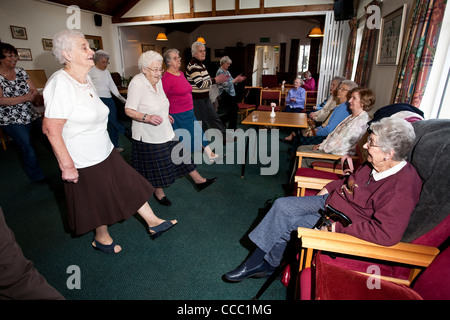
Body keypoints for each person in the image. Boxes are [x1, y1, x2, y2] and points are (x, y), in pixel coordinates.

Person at [223, 117, 422, 282]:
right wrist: (329, 187)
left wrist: (338, 229)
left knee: (289, 224)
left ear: (390, 153)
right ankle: (265, 264)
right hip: (331, 202)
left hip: (343, 221)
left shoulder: (402, 187)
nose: (365, 146)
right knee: (281, 206)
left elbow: (387, 234)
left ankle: (255, 264)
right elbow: (350, 181)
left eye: (372, 143)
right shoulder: (376, 163)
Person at [42, 30, 177, 254]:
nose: (91, 51)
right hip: (83, 159)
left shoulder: (85, 80)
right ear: (67, 54)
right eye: (84, 47)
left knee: (130, 184)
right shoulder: (60, 83)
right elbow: (50, 128)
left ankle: (153, 222)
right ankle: (102, 238)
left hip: (105, 150)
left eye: (89, 46)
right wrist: (67, 165)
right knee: (97, 201)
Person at [125, 50, 217, 207]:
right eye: (155, 69)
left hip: (165, 128)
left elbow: (162, 101)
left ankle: (199, 180)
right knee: (157, 166)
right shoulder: (137, 83)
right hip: (147, 135)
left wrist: (165, 114)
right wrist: (147, 117)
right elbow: (129, 110)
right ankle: (159, 193)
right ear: (144, 69)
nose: (159, 73)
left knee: (181, 153)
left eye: (160, 69)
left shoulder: (158, 80)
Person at [161, 48, 221, 162]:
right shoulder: (166, 79)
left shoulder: (181, 74)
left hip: (189, 110)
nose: (178, 60)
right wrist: (165, 114)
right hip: (178, 114)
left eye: (178, 57)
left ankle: (209, 154)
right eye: (175, 58)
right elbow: (161, 98)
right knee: (188, 137)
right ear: (168, 62)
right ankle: (182, 162)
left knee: (198, 132)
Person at [0, 42, 48, 183]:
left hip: (30, 114)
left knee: (48, 138)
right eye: (10, 56)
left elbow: (33, 91)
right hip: (10, 119)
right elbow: (1, 101)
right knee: (27, 145)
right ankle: (37, 176)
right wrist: (24, 97)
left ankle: (65, 166)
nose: (14, 58)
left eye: (15, 55)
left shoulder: (21, 71)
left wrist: (28, 97)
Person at [298, 87, 375, 168]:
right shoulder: (351, 117)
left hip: (338, 157)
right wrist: (322, 144)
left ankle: (302, 178)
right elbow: (333, 135)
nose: (349, 101)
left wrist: (321, 147)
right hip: (330, 150)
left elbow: (342, 145)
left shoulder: (361, 122)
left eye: (354, 98)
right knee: (301, 148)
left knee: (302, 153)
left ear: (363, 103)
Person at [186, 41, 230, 145]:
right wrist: (215, 80)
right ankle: (203, 145)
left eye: (204, 51)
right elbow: (200, 84)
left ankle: (223, 137)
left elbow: (205, 79)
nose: (204, 53)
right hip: (197, 99)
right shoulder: (193, 65)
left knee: (214, 117)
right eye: (200, 51)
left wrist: (213, 80)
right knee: (202, 122)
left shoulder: (201, 65)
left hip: (205, 97)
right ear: (194, 53)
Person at [89, 50, 131, 152]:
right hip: (98, 100)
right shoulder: (90, 71)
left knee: (112, 123)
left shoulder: (107, 72)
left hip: (109, 99)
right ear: (96, 61)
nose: (105, 65)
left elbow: (113, 87)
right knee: (110, 121)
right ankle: (127, 133)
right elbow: (88, 87)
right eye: (103, 62)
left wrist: (123, 100)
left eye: (107, 62)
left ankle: (114, 146)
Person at [216, 56, 246, 129]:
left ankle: (223, 121)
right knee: (234, 109)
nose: (229, 65)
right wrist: (234, 80)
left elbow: (232, 81)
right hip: (225, 93)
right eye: (228, 64)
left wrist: (238, 80)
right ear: (223, 63)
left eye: (229, 64)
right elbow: (224, 84)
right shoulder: (220, 71)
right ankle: (227, 124)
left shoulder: (227, 71)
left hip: (231, 93)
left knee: (234, 110)